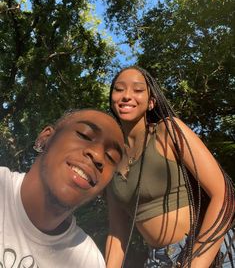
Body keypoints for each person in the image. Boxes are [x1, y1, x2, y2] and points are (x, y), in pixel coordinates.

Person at [105, 66, 235, 268]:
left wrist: (196, 262)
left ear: (151, 102)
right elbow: (117, 233)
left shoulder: (168, 130)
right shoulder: (111, 160)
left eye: (138, 90)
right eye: (119, 89)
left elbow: (224, 194)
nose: (127, 96)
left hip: (208, 250)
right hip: (160, 261)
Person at [0, 108, 126, 268]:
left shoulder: (89, 261)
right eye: (84, 135)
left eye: (111, 157)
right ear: (46, 138)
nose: (98, 156)